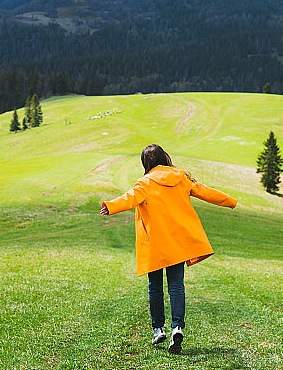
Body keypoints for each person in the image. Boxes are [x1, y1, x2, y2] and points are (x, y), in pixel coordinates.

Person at [100, 144, 238, 354]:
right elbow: (206, 192)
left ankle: (158, 330)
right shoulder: (181, 178)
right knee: (176, 286)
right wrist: (230, 201)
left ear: (146, 163)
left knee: (155, 287)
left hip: (154, 245)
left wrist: (110, 206)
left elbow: (128, 199)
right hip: (177, 244)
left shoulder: (144, 184)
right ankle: (177, 327)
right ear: (164, 157)